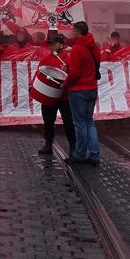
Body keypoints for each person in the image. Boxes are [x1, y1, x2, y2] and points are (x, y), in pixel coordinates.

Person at [62, 21, 100, 165]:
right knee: (89, 122)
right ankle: (95, 155)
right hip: (92, 88)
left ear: (77, 32)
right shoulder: (93, 46)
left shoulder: (77, 48)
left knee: (80, 124)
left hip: (79, 90)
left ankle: (79, 154)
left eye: (73, 31)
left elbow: (75, 73)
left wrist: (65, 85)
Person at [35, 33, 75, 156]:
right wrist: (32, 83)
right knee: (48, 121)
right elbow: (38, 73)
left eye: (54, 44)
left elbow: (74, 74)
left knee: (68, 121)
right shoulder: (45, 59)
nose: (51, 46)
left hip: (64, 96)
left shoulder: (68, 59)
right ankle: (48, 144)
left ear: (61, 45)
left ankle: (73, 146)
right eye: (50, 44)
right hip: (48, 95)